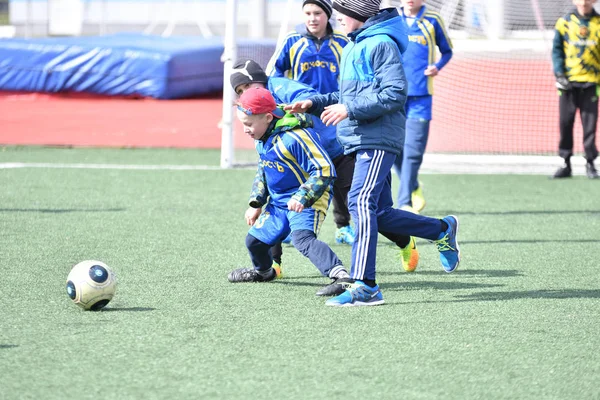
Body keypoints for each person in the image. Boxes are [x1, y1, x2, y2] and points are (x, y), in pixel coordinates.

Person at [286, 0, 460, 306]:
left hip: (378, 139)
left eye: (342, 10)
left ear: (359, 13)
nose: (336, 16)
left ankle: (365, 285)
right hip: (359, 138)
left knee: (360, 202)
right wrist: (313, 104)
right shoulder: (356, 44)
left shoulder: (380, 44)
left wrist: (348, 109)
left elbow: (394, 93)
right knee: (378, 212)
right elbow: (348, 95)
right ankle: (441, 229)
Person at [230, 59, 420, 275]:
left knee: (363, 209)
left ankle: (404, 240)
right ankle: (274, 265)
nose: (246, 92)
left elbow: (313, 103)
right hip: (303, 167)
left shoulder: (283, 89)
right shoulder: (255, 113)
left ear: (262, 80)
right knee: (278, 198)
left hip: (336, 152)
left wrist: (290, 118)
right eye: (240, 90)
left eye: (249, 86)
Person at [227, 87, 352, 297]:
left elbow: (324, 169)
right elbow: (263, 170)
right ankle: (265, 272)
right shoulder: (263, 138)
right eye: (243, 124)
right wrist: (255, 203)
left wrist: (302, 196)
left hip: (308, 199)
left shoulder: (296, 137)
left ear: (268, 117)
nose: (245, 130)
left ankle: (342, 277)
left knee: (302, 239)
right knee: (254, 242)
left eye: (248, 124)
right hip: (279, 202)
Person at [393, 0, 453, 212]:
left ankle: (404, 203)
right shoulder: (391, 18)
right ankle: (414, 186)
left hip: (421, 98)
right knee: (393, 149)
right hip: (393, 96)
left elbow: (447, 51)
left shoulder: (433, 20)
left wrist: (437, 67)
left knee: (413, 152)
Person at [551, 0, 599, 179]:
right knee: (565, 123)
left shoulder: (598, 24)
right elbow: (556, 50)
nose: (584, 2)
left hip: (590, 84)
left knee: (590, 127)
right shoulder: (564, 23)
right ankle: (565, 162)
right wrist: (559, 73)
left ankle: (590, 163)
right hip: (568, 85)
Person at [266, 0, 348, 95]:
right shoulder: (292, 39)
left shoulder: (342, 41)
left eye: (317, 13)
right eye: (308, 14)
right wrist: (284, 94)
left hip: (332, 104)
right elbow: (273, 71)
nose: (312, 19)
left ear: (327, 14)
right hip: (300, 105)